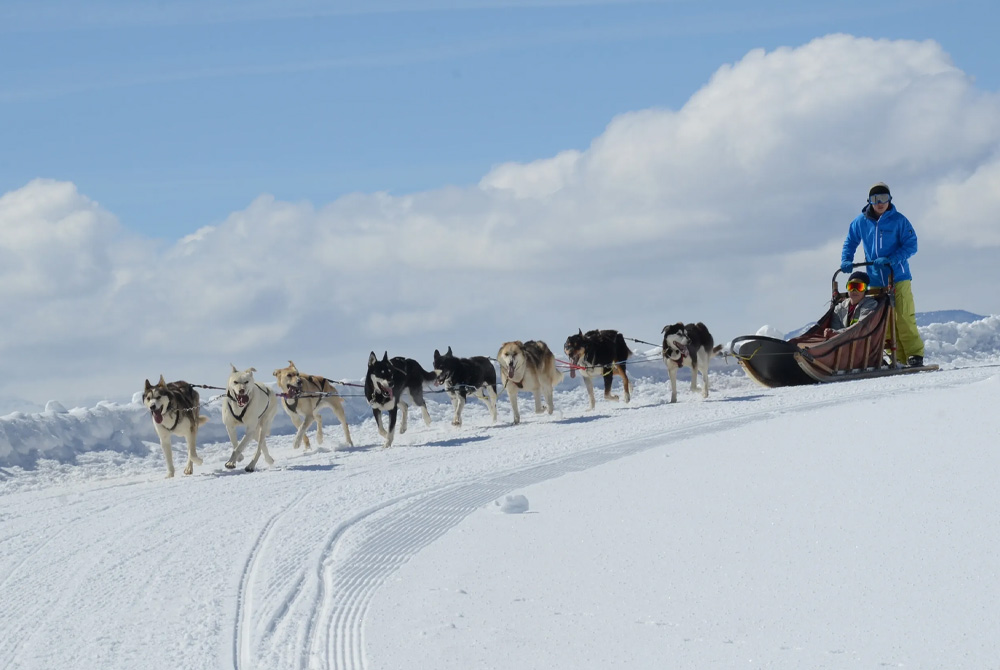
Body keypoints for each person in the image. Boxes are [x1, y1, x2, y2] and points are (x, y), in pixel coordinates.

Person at [841, 182, 925, 367]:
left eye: (884, 199)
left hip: (898, 277)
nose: (880, 203)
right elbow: (850, 241)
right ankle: (892, 355)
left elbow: (911, 245)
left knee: (903, 316)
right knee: (882, 320)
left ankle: (913, 355)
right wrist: (846, 259)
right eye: (875, 199)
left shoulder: (899, 221)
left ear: (890, 200)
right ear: (869, 201)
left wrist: (892, 259)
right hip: (876, 280)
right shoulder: (860, 222)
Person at [823, 271, 879, 338]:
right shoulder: (839, 308)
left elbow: (860, 325)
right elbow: (835, 329)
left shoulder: (870, 305)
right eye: (851, 286)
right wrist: (832, 332)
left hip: (861, 342)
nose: (854, 290)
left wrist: (837, 333)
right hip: (841, 343)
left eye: (859, 287)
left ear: (865, 290)